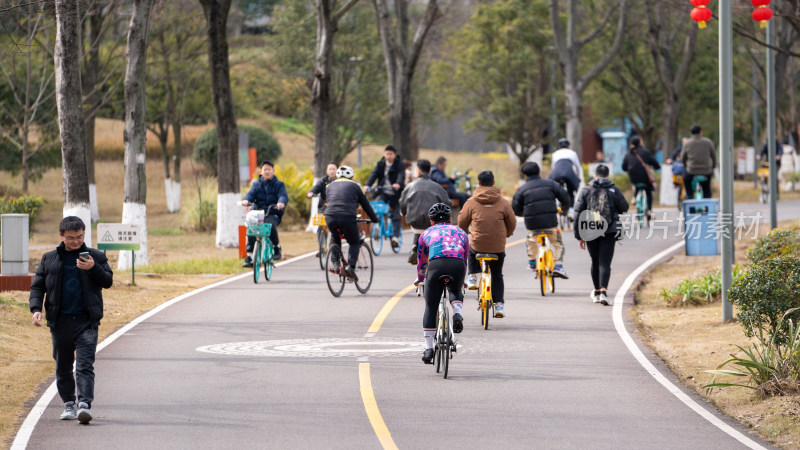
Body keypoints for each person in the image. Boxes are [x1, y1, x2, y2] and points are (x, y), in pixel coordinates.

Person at [29, 216, 114, 424]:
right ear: (61, 236)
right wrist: (36, 309)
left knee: (85, 365)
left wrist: (93, 268)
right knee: (63, 367)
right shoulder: (49, 258)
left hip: (87, 322)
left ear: (84, 234)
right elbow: (38, 286)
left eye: (79, 237)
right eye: (71, 237)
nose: (76, 241)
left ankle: (84, 405)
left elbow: (108, 281)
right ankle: (69, 403)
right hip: (60, 323)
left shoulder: (95, 256)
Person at [415, 203, 469, 364]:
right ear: (450, 219)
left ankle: (429, 348)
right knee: (455, 288)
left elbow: (421, 261)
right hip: (457, 265)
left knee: (431, 307)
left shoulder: (426, 233)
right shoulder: (461, 232)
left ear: (431, 221)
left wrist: (420, 278)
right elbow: (465, 257)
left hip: (436, 266)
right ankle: (457, 312)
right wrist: (463, 279)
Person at [457, 170, 516, 317]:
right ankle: (499, 306)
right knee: (496, 273)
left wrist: (465, 233)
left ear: (479, 183)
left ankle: (471, 276)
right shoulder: (503, 202)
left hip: (478, 245)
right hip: (498, 246)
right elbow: (512, 222)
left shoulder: (471, 202)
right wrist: (506, 234)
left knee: (471, 249)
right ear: (494, 183)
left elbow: (461, 222)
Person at [573, 165, 629, 305]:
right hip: (609, 230)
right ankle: (604, 292)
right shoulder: (613, 189)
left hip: (590, 229)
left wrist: (579, 235)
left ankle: (596, 291)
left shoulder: (586, 190)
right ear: (608, 176)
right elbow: (624, 207)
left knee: (595, 261)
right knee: (605, 261)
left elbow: (577, 214)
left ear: (594, 176)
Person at [512, 162, 571, 278]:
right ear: (539, 172)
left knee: (531, 240)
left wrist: (524, 213)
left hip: (532, 225)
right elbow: (565, 197)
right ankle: (558, 266)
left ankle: (532, 262)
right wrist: (564, 209)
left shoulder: (521, 189)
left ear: (525, 175)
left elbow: (516, 209)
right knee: (558, 243)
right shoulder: (551, 184)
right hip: (550, 223)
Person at [325, 165, 379, 281]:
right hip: (347, 217)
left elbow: (330, 201)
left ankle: (334, 262)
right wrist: (374, 218)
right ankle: (351, 267)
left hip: (329, 216)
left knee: (335, 236)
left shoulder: (329, 186)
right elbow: (365, 205)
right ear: (352, 177)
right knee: (355, 242)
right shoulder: (355, 185)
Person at [399, 159, 451, 265]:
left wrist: (405, 214)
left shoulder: (409, 187)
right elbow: (447, 203)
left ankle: (414, 248)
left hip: (414, 222)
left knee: (419, 228)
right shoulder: (437, 187)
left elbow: (402, 203)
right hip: (433, 223)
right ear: (429, 171)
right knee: (431, 225)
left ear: (418, 171)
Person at [242, 160, 288, 266]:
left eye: (269, 169)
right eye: (264, 169)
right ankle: (249, 256)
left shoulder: (279, 185)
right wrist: (246, 200)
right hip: (258, 213)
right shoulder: (256, 184)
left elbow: (283, 195)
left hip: (272, 212)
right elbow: (250, 194)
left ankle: (276, 247)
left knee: (270, 226)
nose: (267, 171)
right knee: (251, 228)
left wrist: (281, 202)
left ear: (273, 171)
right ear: (261, 172)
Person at [363, 145, 405, 249]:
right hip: (382, 192)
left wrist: (398, 184)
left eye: (391, 154)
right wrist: (367, 185)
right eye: (387, 153)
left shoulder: (400, 164)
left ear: (395, 155)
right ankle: (377, 226)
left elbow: (401, 175)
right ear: (384, 154)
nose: (389, 156)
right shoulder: (380, 164)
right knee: (377, 207)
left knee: (396, 215)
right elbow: (373, 175)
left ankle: (395, 237)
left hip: (395, 193)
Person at [621, 136, 660, 216]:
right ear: (639, 143)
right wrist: (657, 167)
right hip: (645, 178)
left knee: (635, 185)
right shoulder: (646, 152)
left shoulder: (628, 154)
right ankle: (649, 210)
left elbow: (624, 167)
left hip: (633, 178)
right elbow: (655, 163)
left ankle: (635, 197)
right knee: (648, 191)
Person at [681, 125, 717, 199]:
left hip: (691, 171)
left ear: (691, 132)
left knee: (686, 180)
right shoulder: (708, 142)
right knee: (706, 189)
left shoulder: (687, 143)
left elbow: (683, 158)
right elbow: (714, 156)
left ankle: (690, 196)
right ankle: (707, 199)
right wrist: (712, 167)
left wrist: (686, 167)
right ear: (701, 132)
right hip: (706, 171)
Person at [547, 138, 582, 208]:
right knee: (571, 192)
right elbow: (578, 167)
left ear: (559, 147)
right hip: (569, 173)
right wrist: (578, 177)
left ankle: (557, 204)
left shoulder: (555, 154)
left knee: (555, 189)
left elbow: (553, 167)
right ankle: (571, 210)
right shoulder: (573, 153)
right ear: (568, 146)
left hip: (557, 173)